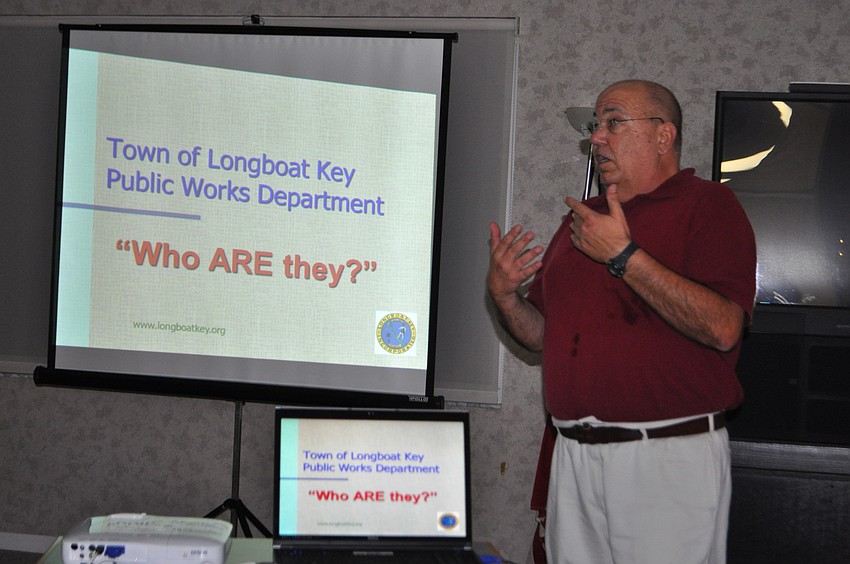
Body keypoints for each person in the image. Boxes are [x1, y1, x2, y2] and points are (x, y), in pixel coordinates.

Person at [487, 80, 757, 564]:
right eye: (596, 126)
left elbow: (723, 327)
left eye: (613, 122)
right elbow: (543, 338)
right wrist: (506, 298)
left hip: (666, 456)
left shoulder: (709, 206)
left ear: (663, 135)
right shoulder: (580, 221)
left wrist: (623, 255)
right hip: (573, 456)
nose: (597, 137)